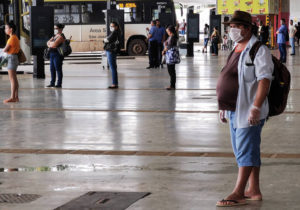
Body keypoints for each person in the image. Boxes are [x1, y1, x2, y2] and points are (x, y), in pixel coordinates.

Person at [216, 11, 274, 207]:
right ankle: (253, 189)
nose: (231, 30)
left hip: (249, 110)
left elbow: (264, 80)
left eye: (235, 27)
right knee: (247, 150)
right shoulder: (237, 47)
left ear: (247, 28)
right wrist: (223, 106)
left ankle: (239, 192)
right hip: (233, 109)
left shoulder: (259, 50)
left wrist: (256, 107)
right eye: (230, 26)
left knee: (244, 151)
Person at [2, 21, 20, 103]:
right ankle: (16, 97)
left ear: (11, 29)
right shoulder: (15, 37)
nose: (5, 30)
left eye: (6, 28)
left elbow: (5, 49)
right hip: (14, 58)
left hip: (11, 58)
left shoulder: (12, 38)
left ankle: (12, 97)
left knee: (12, 79)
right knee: (14, 79)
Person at [46, 24, 66, 88]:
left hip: (58, 54)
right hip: (52, 53)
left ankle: (59, 84)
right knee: (52, 69)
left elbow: (54, 44)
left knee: (58, 69)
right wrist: (50, 44)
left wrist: (50, 44)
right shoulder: (55, 36)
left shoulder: (61, 36)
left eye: (56, 28)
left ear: (60, 29)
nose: (55, 30)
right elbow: (47, 42)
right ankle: (52, 83)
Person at [104, 21, 122, 89]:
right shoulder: (118, 32)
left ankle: (114, 84)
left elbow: (107, 40)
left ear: (116, 27)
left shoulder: (114, 32)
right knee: (114, 67)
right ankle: (115, 83)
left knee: (113, 68)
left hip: (111, 51)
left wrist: (104, 39)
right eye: (110, 26)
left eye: (112, 26)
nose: (111, 27)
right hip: (113, 51)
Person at [162, 25, 178, 90]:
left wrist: (164, 50)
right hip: (171, 56)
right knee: (172, 71)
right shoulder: (172, 36)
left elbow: (169, 46)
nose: (167, 32)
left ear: (170, 31)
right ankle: (172, 85)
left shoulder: (172, 37)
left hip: (171, 56)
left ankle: (172, 86)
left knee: (171, 71)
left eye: (168, 31)